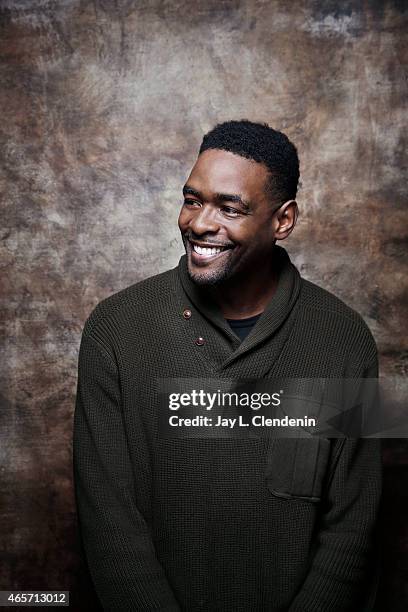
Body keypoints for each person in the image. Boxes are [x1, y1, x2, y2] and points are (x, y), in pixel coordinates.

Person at [73, 120, 382, 611]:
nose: (198, 223)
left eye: (229, 207)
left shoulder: (345, 340)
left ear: (283, 221)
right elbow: (108, 517)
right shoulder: (115, 329)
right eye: (193, 199)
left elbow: (353, 523)